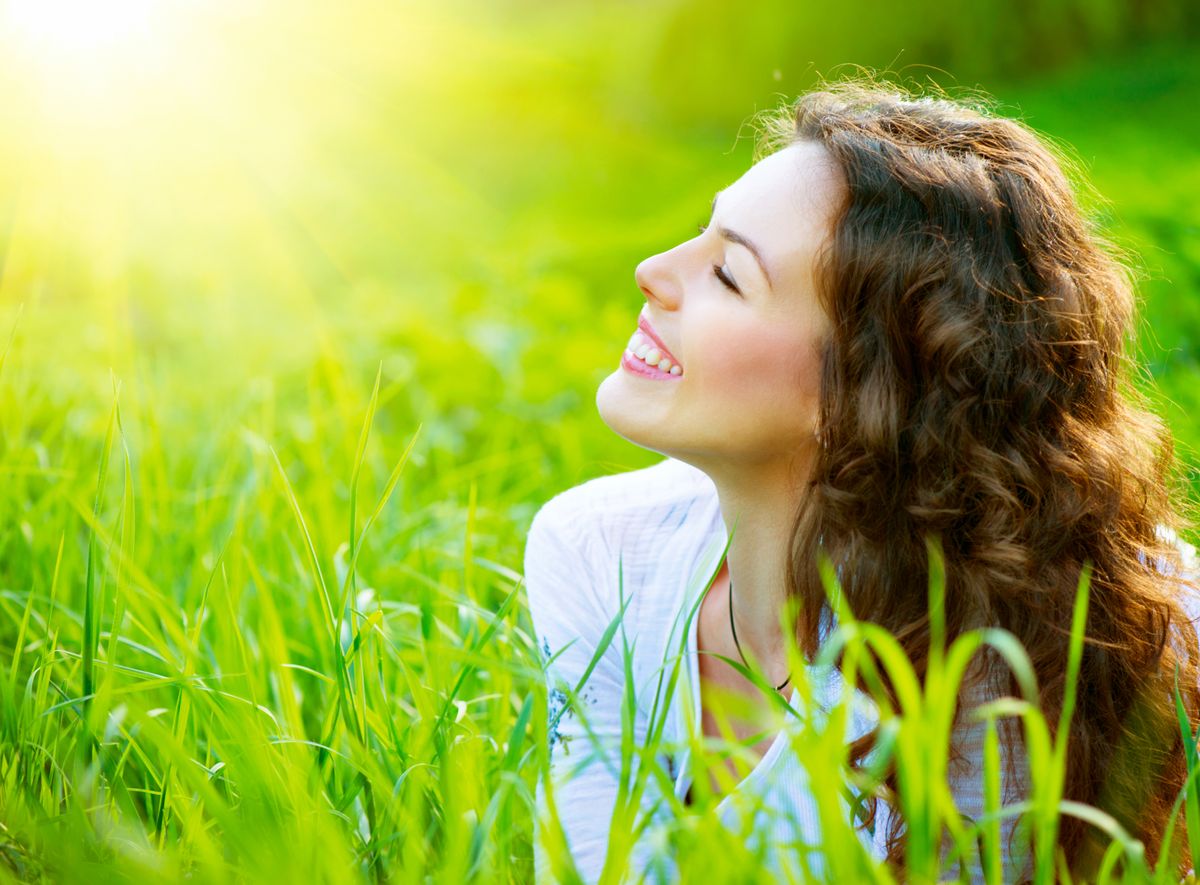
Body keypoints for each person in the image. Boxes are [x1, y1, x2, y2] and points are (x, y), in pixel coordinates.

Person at [524, 79, 1200, 884]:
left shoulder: (1027, 666)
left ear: (864, 393)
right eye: (700, 235)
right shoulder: (602, 555)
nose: (652, 272)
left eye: (730, 276)